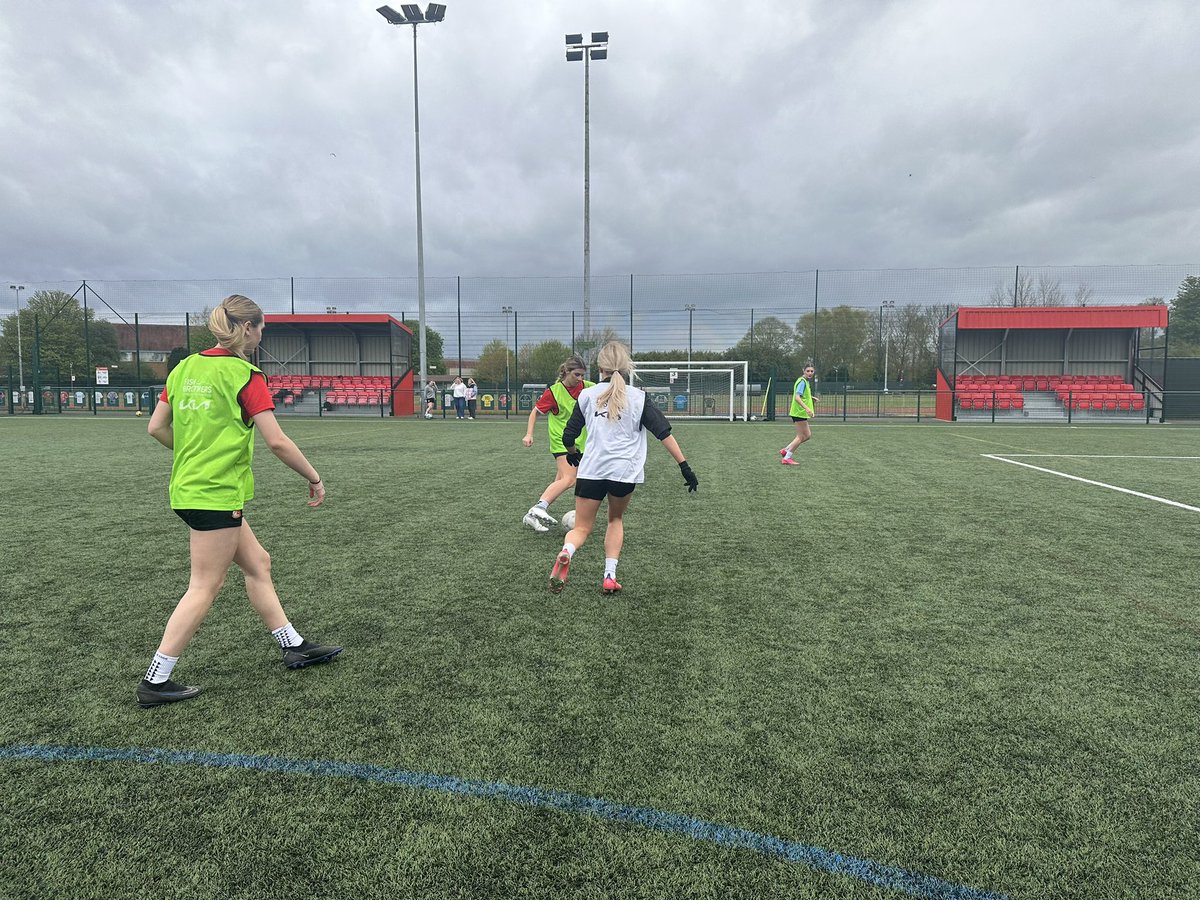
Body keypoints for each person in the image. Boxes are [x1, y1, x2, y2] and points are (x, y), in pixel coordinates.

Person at [137, 294, 341, 709]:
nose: (262, 334)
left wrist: (193, 453)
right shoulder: (246, 375)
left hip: (188, 489)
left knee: (258, 563)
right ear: (247, 328)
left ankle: (293, 645)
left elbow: (157, 428)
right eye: (261, 327)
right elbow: (278, 442)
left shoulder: (183, 368)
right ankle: (155, 679)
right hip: (215, 496)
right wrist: (314, 478)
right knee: (204, 585)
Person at [549, 342, 698, 595]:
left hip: (591, 470)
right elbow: (664, 433)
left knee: (582, 529)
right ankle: (609, 576)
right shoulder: (639, 397)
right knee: (615, 519)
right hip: (624, 473)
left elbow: (568, 437)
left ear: (599, 368)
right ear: (627, 366)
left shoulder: (586, 395)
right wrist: (684, 466)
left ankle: (566, 552)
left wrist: (574, 455)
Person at [521, 356, 593, 532]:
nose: (580, 379)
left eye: (583, 375)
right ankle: (538, 508)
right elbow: (534, 413)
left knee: (560, 480)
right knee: (570, 479)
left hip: (580, 443)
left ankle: (531, 516)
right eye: (577, 374)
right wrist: (529, 434)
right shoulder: (553, 392)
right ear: (567, 372)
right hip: (561, 441)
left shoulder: (589, 388)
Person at [781, 363, 817, 465]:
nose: (810, 373)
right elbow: (797, 397)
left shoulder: (804, 381)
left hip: (799, 412)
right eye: (808, 371)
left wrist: (812, 398)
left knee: (807, 435)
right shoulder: (802, 381)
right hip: (799, 412)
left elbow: (802, 395)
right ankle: (787, 457)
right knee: (801, 436)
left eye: (812, 371)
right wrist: (807, 409)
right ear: (803, 371)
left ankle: (786, 450)